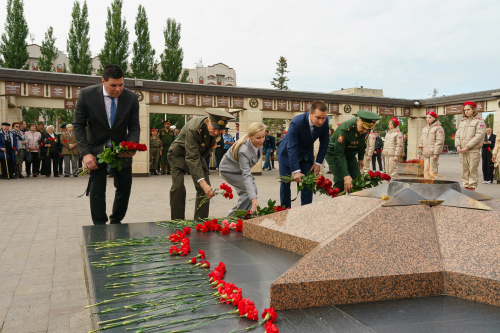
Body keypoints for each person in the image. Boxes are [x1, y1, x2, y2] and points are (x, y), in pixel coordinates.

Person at [73, 64, 140, 225]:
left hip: (121, 150)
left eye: (121, 85)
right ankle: (99, 226)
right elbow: (78, 125)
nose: (118, 89)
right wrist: (85, 153)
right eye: (113, 85)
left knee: (124, 187)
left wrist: (131, 146)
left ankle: (116, 221)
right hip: (95, 149)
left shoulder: (131, 98)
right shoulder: (86, 95)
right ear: (103, 81)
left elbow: (134, 126)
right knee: (97, 189)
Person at [168, 108, 234, 220]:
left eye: (220, 130)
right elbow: (191, 157)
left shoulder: (214, 129)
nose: (217, 133)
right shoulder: (194, 129)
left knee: (205, 189)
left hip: (196, 155)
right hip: (179, 154)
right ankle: (177, 221)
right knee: (178, 187)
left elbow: (202, 152)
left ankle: (200, 221)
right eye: (215, 129)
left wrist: (203, 182)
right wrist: (201, 182)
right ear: (208, 122)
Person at [278, 100, 330, 207]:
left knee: (308, 183)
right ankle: (285, 211)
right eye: (318, 118)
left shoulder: (325, 122)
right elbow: (292, 147)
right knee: (285, 183)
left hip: (306, 155)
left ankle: (306, 211)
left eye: (323, 118)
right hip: (287, 154)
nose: (321, 121)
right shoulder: (297, 122)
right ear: (310, 114)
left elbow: (324, 143)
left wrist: (318, 163)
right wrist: (296, 171)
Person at [325, 111, 380, 193]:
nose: (365, 131)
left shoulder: (366, 130)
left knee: (357, 179)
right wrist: (346, 175)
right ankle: (338, 202)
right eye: (363, 127)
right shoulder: (345, 130)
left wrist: (360, 158)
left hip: (349, 154)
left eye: (368, 129)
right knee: (341, 180)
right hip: (334, 154)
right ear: (358, 121)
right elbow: (339, 154)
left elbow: (362, 144)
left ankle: (353, 202)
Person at [219, 122, 266, 216]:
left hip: (238, 170)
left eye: (263, 136)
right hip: (229, 171)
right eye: (258, 138)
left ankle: (244, 214)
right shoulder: (243, 150)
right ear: (250, 136)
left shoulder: (258, 145)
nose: (262, 140)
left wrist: (253, 199)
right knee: (249, 191)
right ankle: (233, 216)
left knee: (251, 191)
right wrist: (254, 200)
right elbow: (246, 174)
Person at [455, 101, 485, 191]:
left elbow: (478, 136)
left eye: (468, 109)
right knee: (464, 171)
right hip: (462, 151)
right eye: (465, 110)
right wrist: (458, 146)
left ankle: (471, 189)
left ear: (473, 110)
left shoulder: (480, 121)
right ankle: (465, 188)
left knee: (472, 170)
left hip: (472, 151)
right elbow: (457, 135)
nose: (466, 112)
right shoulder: (462, 122)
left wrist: (467, 147)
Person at [419, 111, 445, 179]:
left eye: (430, 117)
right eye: (426, 117)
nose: (428, 119)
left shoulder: (438, 128)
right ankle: (427, 185)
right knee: (426, 170)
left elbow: (439, 141)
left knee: (433, 171)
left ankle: (434, 186)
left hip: (433, 152)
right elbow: (421, 140)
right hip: (425, 152)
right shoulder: (425, 128)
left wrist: (436, 153)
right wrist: (420, 152)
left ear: (434, 118)